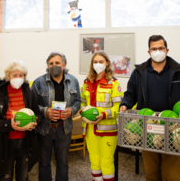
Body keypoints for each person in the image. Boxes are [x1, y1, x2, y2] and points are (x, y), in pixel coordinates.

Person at [120, 35, 180, 181]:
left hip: (173, 128)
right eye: (154, 48)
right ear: (149, 52)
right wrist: (124, 104)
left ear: (167, 50)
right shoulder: (139, 72)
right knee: (151, 173)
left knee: (172, 176)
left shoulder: (178, 71)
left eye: (161, 48)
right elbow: (130, 94)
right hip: (147, 127)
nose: (157, 51)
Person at [0, 60, 42, 181]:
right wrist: (9, 125)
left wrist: (34, 122)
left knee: (23, 176)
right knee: (6, 177)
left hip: (24, 142)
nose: (18, 78)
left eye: (21, 75)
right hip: (5, 143)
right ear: (8, 76)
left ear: (25, 77)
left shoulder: (28, 92)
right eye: (14, 75)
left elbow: (37, 113)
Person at [32, 51, 81, 181]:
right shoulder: (38, 82)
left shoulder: (73, 81)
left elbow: (78, 102)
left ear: (64, 65)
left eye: (57, 63)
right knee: (43, 162)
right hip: (44, 129)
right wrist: (45, 111)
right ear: (47, 66)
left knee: (63, 163)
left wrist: (71, 110)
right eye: (51, 63)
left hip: (64, 129)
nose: (54, 65)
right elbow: (32, 105)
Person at [80, 50, 122, 181]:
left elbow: (118, 107)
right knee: (94, 160)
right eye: (95, 62)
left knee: (106, 161)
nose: (98, 64)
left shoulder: (114, 83)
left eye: (101, 61)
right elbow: (82, 102)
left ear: (107, 63)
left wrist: (104, 115)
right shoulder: (86, 82)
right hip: (90, 128)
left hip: (107, 129)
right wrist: (83, 111)